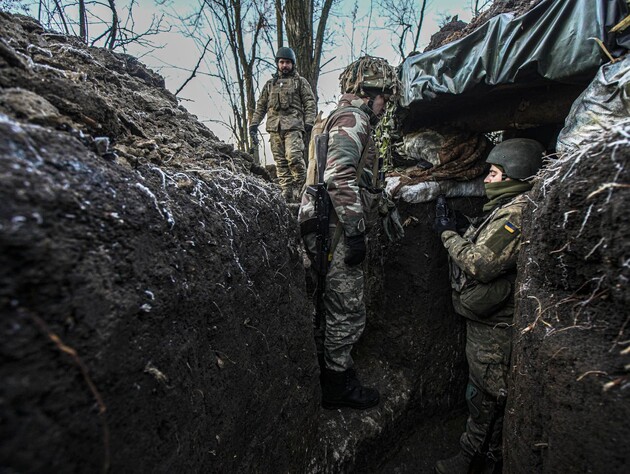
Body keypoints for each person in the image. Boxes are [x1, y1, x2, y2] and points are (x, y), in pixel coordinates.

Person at [433, 138, 545, 473]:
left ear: (513, 176)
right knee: (481, 392)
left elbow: (481, 263)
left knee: (487, 398)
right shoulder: (505, 208)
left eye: (494, 174)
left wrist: (447, 234)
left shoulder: (516, 213)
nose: (487, 180)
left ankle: (477, 461)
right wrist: (463, 226)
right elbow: (489, 244)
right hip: (486, 323)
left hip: (495, 332)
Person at [298, 56, 399, 409]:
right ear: (372, 92)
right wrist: (356, 232)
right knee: (346, 308)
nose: (386, 105)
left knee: (332, 305)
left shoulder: (342, 117)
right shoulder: (354, 118)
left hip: (332, 223)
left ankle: (333, 372)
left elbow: (359, 178)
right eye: (385, 97)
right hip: (337, 228)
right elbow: (338, 177)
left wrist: (382, 206)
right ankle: (337, 384)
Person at [250, 47, 317, 202]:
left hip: (293, 126)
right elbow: (261, 106)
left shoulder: (300, 82)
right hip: (274, 128)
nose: (284, 65)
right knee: (280, 163)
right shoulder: (269, 85)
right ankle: (286, 194)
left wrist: (309, 122)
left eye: (287, 62)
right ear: (277, 64)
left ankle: (301, 189)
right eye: (282, 62)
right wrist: (254, 124)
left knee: (293, 157)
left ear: (292, 64)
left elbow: (309, 102)